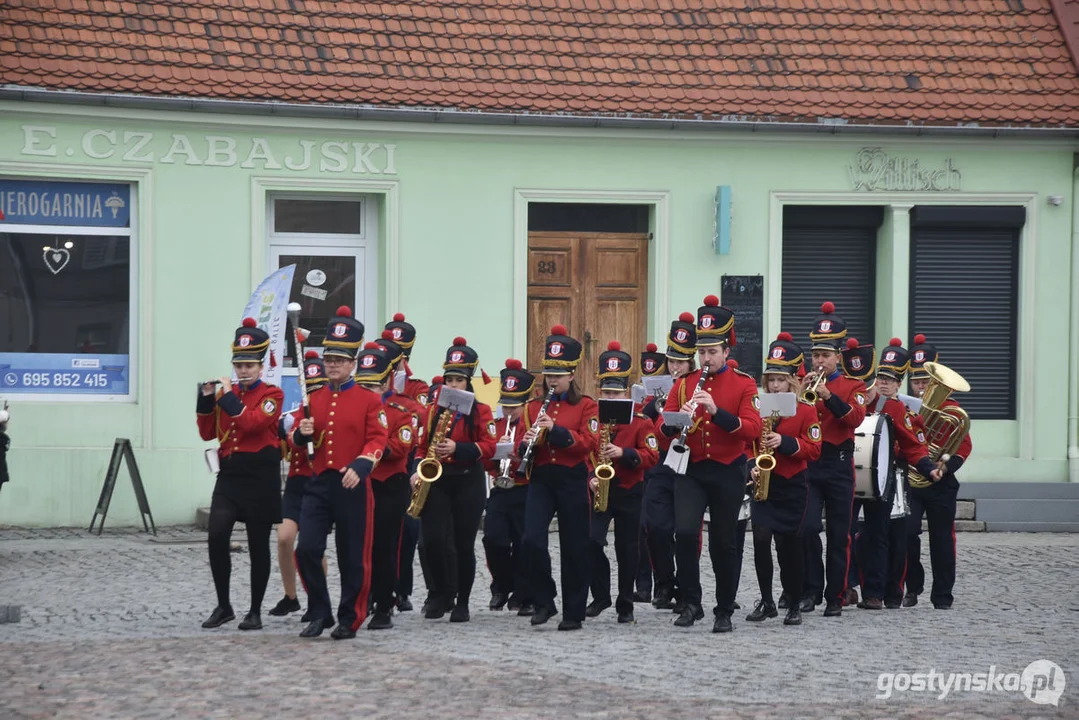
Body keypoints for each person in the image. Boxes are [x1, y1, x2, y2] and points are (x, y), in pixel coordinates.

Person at [660, 295, 761, 633]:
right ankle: (690, 602)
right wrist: (676, 422)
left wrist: (717, 412)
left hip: (727, 468)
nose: (705, 358)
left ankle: (724, 609)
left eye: (712, 352)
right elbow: (663, 427)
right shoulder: (684, 384)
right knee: (685, 533)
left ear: (726, 352)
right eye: (701, 353)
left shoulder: (744, 384)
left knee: (723, 541)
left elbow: (752, 429)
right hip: (691, 469)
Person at [292, 306, 389, 639]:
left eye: (340, 360)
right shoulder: (313, 398)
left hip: (353, 485)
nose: (332, 365)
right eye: (329, 359)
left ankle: (351, 616)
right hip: (320, 483)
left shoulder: (368, 400)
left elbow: (379, 437)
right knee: (306, 549)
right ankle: (320, 610)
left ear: (353, 363)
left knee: (353, 556)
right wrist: (301, 433)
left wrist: (362, 465)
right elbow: (299, 440)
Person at [196, 318, 284, 631]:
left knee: (258, 544)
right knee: (217, 533)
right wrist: (205, 399)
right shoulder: (226, 395)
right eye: (239, 365)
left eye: (249, 365)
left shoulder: (272, 395)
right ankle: (224, 605)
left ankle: (255, 610)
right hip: (231, 474)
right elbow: (208, 433)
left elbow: (253, 424)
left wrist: (228, 396)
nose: (243, 371)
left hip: (260, 475)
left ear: (261, 367)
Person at [410, 337, 497, 623]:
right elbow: (422, 445)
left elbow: (489, 445)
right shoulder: (434, 409)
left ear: (468, 381)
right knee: (432, 540)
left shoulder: (481, 411)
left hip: (468, 481)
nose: (453, 385)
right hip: (438, 480)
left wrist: (459, 448)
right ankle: (442, 592)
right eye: (449, 379)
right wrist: (417, 466)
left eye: (459, 380)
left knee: (462, 544)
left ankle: (462, 600)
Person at [519, 325, 600, 631]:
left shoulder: (586, 405)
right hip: (541, 477)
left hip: (571, 477)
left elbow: (587, 443)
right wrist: (527, 441)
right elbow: (519, 448)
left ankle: (573, 612)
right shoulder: (533, 406)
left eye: (558, 375)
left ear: (571, 375)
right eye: (548, 375)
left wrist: (556, 430)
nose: (551, 381)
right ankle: (545, 599)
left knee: (575, 546)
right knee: (531, 540)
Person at [855, 339, 940, 611]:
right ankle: (846, 587)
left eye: (890, 380)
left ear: (898, 384)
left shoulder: (899, 409)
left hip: (889, 477)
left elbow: (913, 445)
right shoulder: (863, 400)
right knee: (854, 534)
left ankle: (880, 592)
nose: (883, 383)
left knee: (886, 534)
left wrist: (928, 468)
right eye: (880, 377)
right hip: (856, 473)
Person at [745, 332, 821, 626]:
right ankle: (766, 600)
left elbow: (814, 448)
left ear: (793, 381)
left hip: (793, 485)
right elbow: (746, 443)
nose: (774, 385)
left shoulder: (805, 409)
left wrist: (785, 442)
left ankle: (793, 600)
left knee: (790, 546)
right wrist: (752, 465)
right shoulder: (759, 409)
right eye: (770, 380)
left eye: (780, 380)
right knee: (761, 540)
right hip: (765, 484)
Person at [800, 302, 867, 618]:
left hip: (839, 464)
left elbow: (854, 419)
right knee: (807, 527)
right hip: (810, 463)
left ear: (838, 357)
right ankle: (811, 589)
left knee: (840, 535)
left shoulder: (853, 386)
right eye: (815, 355)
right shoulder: (802, 383)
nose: (819, 360)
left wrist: (828, 396)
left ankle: (836, 595)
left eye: (825, 355)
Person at [586, 341, 660, 624]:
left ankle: (625, 602)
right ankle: (601, 595)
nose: (611, 397)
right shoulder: (593, 420)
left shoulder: (640, 422)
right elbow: (582, 455)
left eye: (616, 392)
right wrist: (591, 478)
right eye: (606, 392)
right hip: (600, 490)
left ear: (626, 394)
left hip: (630, 490)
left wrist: (624, 453)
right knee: (592, 542)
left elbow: (652, 456)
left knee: (628, 548)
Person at [904, 334, 972, 609]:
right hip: (911, 478)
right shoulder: (905, 408)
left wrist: (946, 464)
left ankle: (942, 595)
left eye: (924, 382)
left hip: (940, 482)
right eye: (916, 382)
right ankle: (913, 584)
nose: (920, 388)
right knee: (907, 533)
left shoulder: (952, 411)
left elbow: (963, 446)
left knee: (942, 540)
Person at [363, 334, 422, 630]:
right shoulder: (355, 410)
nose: (370, 391)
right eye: (365, 385)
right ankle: (362, 599)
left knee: (385, 547)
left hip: (389, 483)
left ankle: (385, 604)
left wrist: (374, 448)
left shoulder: (401, 411)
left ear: (386, 383)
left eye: (374, 384)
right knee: (359, 547)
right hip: (360, 484)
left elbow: (402, 445)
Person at [641, 315, 697, 611]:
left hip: (689, 462)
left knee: (688, 530)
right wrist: (653, 406)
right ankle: (664, 580)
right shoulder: (657, 391)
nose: (675, 368)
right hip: (662, 463)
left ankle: (687, 589)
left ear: (691, 364)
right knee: (656, 525)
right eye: (672, 362)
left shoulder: (698, 387)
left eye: (681, 363)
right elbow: (643, 422)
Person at [268, 350, 328, 619]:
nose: (314, 393)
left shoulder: (333, 413)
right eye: (310, 388)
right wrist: (298, 433)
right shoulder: (295, 414)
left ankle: (317, 597)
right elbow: (286, 433)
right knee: (284, 539)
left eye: (319, 387)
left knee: (313, 546)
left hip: (319, 483)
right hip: (296, 483)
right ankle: (290, 597)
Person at [483, 358, 536, 614]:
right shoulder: (495, 426)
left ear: (525, 403)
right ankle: (501, 586)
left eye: (514, 407)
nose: (509, 412)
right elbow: (484, 461)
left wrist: (519, 451)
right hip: (501, 488)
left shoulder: (531, 426)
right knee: (494, 539)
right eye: (506, 406)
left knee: (524, 542)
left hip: (525, 487)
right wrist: (496, 450)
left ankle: (523, 593)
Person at [633, 342, 668, 604]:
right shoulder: (644, 397)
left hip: (672, 461)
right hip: (646, 464)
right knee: (644, 527)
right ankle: (644, 584)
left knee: (668, 529)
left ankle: (665, 583)